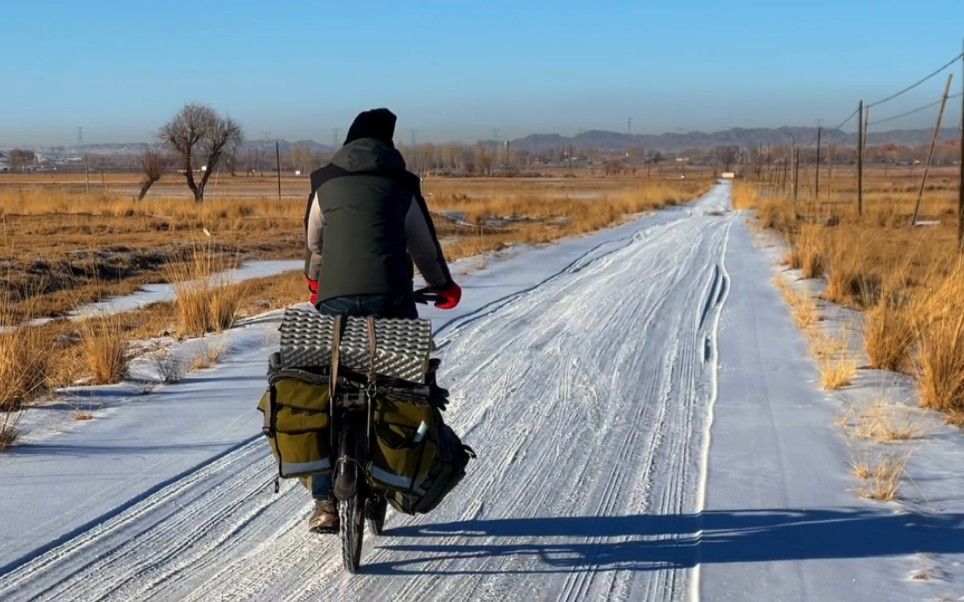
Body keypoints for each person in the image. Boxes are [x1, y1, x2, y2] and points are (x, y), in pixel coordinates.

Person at [303, 108, 461, 532]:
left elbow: (315, 247)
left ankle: (324, 501)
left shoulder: (323, 184)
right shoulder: (403, 186)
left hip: (334, 303)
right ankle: (393, 479)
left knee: (324, 387)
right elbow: (425, 250)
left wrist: (317, 286)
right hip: (391, 301)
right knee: (404, 387)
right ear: (390, 146)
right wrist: (444, 286)